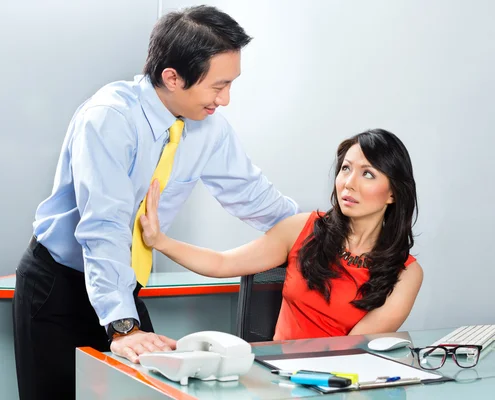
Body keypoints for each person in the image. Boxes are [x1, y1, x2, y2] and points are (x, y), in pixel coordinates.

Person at [12, 6, 298, 400]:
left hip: (122, 285)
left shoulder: (208, 127)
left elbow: (252, 193)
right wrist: (123, 327)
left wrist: (324, 231)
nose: (226, 99)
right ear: (172, 77)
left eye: (231, 84)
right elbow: (104, 226)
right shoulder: (110, 117)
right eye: (218, 86)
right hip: (59, 285)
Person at [141, 129, 423, 340]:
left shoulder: (406, 273)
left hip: (341, 385)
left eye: (368, 174)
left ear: (393, 193)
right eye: (346, 169)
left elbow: (353, 350)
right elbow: (222, 263)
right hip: (279, 380)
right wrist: (160, 242)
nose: (348, 183)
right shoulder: (303, 228)